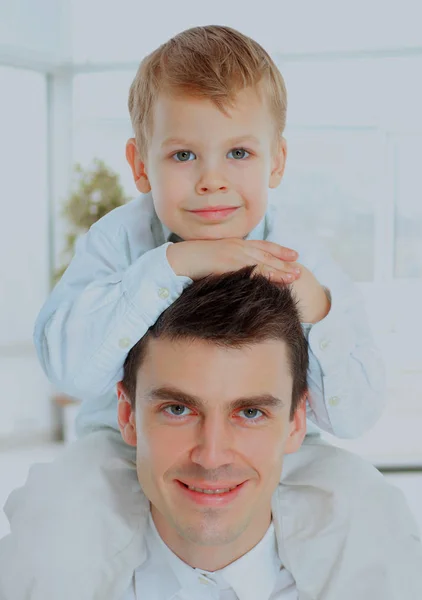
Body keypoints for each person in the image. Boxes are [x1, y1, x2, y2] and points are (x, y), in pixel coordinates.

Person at [0, 24, 398, 597]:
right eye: (184, 154)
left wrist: (316, 306)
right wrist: (171, 266)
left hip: (284, 450)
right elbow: (66, 365)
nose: (212, 181)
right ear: (140, 165)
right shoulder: (119, 241)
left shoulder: (300, 254)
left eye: (238, 152)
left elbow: (356, 415)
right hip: (122, 448)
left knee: (366, 509)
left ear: (277, 161)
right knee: (55, 521)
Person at [1, 270, 421, 599]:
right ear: (126, 413)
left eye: (251, 412)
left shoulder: (382, 570)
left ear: (296, 422)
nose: (212, 455)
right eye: (178, 409)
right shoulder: (38, 571)